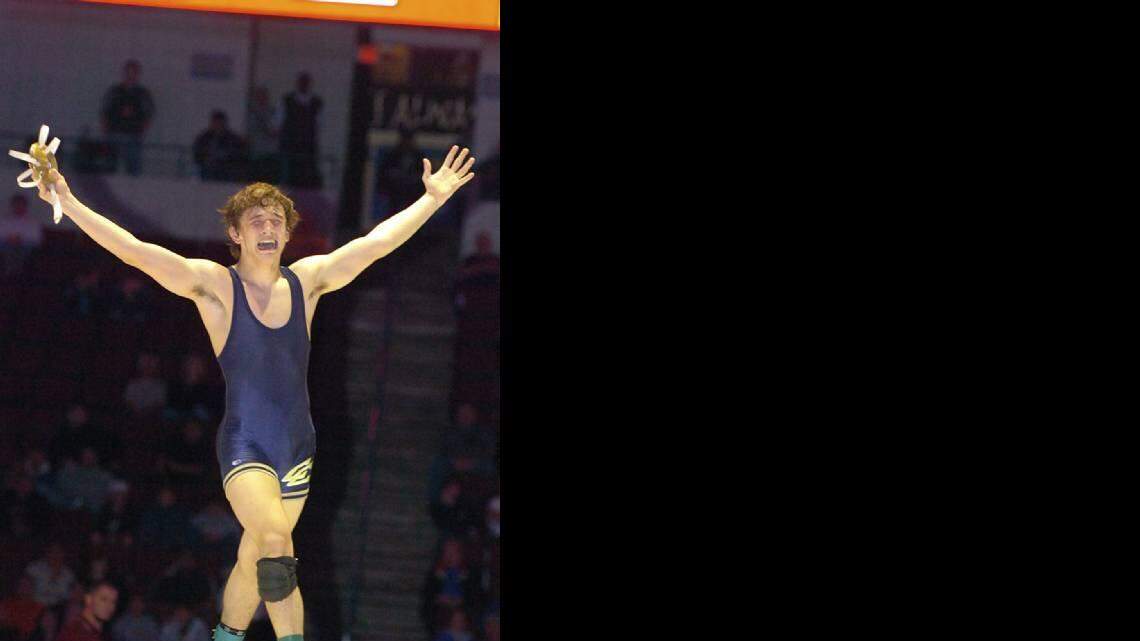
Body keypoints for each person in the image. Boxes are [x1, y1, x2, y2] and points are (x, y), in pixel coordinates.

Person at [29, 142, 476, 641]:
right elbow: (135, 251)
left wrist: (432, 199)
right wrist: (68, 202)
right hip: (247, 447)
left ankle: (224, 636)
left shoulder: (308, 281)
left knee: (252, 556)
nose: (267, 228)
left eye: (275, 221)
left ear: (289, 233)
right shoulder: (216, 287)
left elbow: (374, 243)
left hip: (299, 448)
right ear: (235, 235)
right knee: (272, 536)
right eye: (256, 221)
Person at [101, 60, 155, 176]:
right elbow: (105, 112)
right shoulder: (115, 92)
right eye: (128, 72)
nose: (130, 76)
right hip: (114, 134)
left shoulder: (142, 94)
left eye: (133, 73)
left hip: (133, 136)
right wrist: (106, 131)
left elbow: (149, 114)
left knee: (133, 170)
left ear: (137, 74)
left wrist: (141, 130)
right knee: (110, 167)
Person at [279, 72, 323, 187]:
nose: (303, 85)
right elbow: (279, 121)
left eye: (306, 82)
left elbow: (319, 125)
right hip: (290, 145)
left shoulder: (317, 103)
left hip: (308, 146)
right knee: (289, 177)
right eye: (301, 82)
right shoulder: (287, 100)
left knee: (306, 177)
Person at [193, 111, 247, 182]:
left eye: (220, 123)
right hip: (208, 170)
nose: (218, 125)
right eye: (216, 122)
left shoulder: (232, 139)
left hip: (227, 170)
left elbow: (238, 154)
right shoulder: (204, 138)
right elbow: (198, 153)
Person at [0, 194, 42, 277]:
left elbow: (37, 239)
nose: (18, 207)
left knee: (23, 251)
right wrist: (10, 239)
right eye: (16, 205)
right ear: (12, 206)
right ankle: (10, 273)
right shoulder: (5, 220)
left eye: (21, 205)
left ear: (25, 206)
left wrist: (21, 239)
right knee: (7, 250)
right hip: (6, 244)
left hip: (25, 246)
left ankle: (16, 273)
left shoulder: (32, 221)